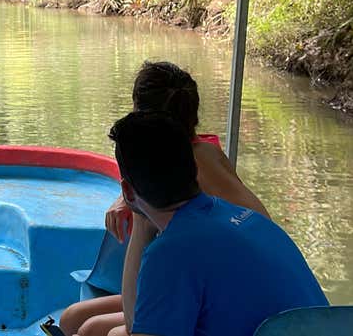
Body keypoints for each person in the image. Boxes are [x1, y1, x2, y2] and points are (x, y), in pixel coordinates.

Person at [61, 62, 270, 336]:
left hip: (226, 296)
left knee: (92, 330)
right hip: (231, 283)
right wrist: (129, 199)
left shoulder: (186, 188)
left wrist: (137, 209)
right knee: (74, 318)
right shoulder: (205, 153)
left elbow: (137, 320)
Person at [105, 111, 328, 336]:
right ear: (193, 169)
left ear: (127, 192)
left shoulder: (170, 253)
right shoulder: (249, 218)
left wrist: (142, 224)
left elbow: (135, 325)